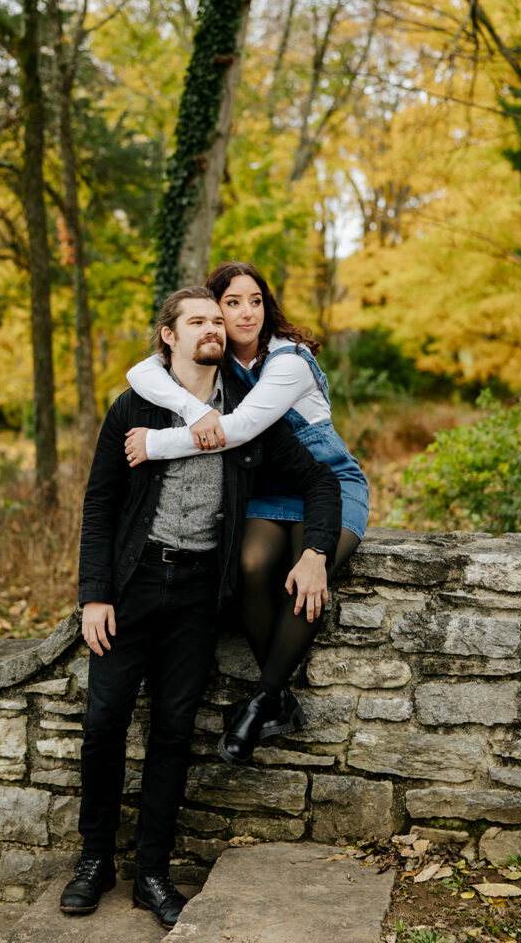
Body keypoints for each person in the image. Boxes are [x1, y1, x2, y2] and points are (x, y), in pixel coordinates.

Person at [61, 285, 341, 931]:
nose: (214, 328)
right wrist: (94, 595)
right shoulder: (133, 406)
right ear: (169, 335)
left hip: (197, 594)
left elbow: (319, 480)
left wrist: (315, 552)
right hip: (131, 587)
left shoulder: (247, 413)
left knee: (173, 730)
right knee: (103, 723)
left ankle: (152, 873)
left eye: (219, 320)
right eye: (198, 320)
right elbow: (100, 503)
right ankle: (94, 860)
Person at [125, 262, 369, 766]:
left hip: (327, 483)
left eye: (255, 301)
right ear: (215, 310)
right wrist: (196, 410)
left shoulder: (288, 360)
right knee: (249, 566)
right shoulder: (217, 358)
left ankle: (262, 701)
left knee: (304, 575)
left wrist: (155, 443)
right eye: (231, 303)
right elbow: (140, 373)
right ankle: (279, 701)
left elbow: (237, 430)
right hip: (266, 489)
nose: (246, 312)